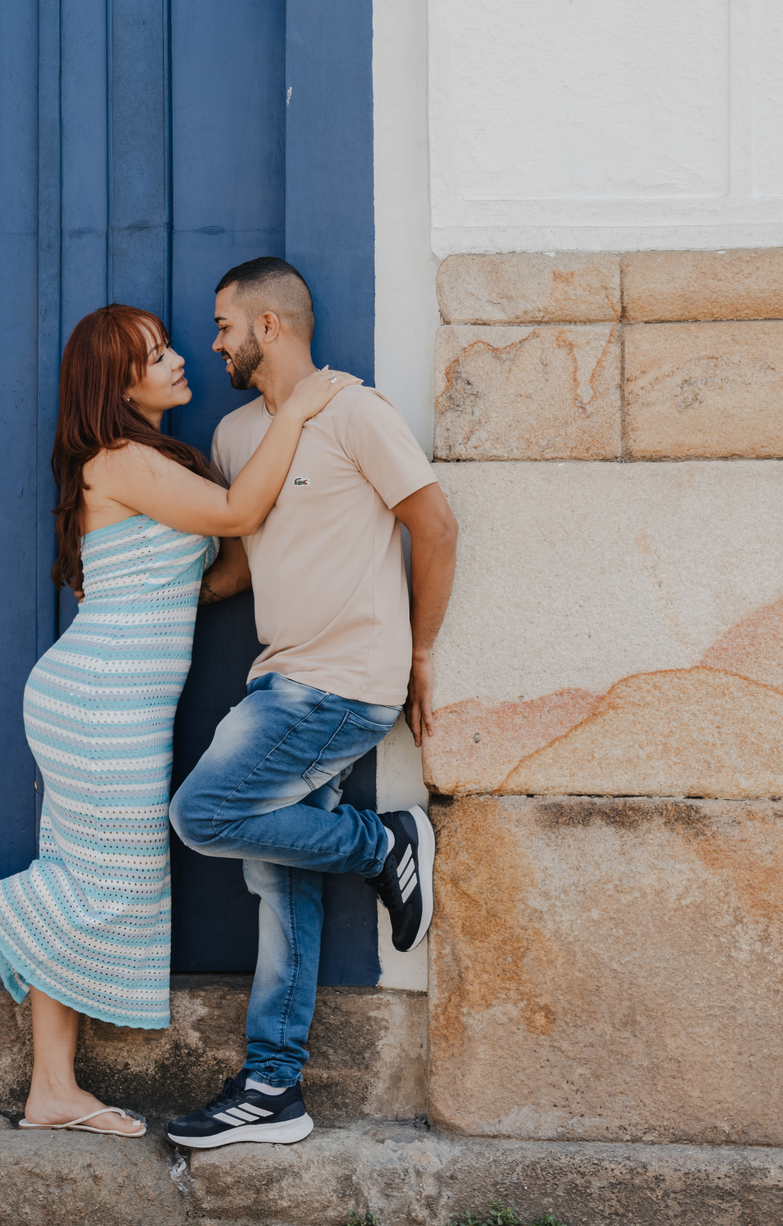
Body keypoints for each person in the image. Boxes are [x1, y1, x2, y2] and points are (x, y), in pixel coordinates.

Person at [0, 300, 357, 1138]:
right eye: (156, 355)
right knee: (107, 887)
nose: (178, 360)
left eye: (169, 347)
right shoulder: (122, 459)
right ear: (119, 384)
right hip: (104, 703)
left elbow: (218, 567)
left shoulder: (150, 462)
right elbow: (238, 514)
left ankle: (52, 1090)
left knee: (71, 875)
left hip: (105, 700)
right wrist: (298, 411)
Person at [165, 258, 458, 1151]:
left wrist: (419, 653)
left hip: (338, 683)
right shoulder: (234, 434)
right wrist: (155, 596)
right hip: (282, 677)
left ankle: (384, 844)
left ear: (270, 325)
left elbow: (435, 525)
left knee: (202, 813)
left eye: (224, 325)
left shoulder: (354, 412)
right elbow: (241, 562)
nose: (213, 342)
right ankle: (273, 1088)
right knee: (278, 877)